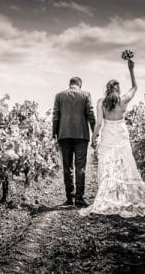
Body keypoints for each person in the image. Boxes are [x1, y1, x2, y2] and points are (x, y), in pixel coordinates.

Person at [80, 59, 145, 218]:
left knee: (107, 166)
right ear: (118, 89)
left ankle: (110, 197)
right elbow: (135, 87)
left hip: (108, 134)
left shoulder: (101, 102)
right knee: (124, 165)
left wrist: (94, 137)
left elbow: (99, 123)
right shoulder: (123, 100)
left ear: (107, 89)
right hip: (121, 134)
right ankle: (122, 197)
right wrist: (131, 69)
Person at [52, 77, 96, 207]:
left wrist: (54, 135)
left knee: (67, 167)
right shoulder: (86, 95)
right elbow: (91, 114)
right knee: (80, 167)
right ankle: (79, 199)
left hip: (64, 134)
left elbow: (55, 115)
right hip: (81, 135)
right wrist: (95, 133)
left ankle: (69, 198)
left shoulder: (59, 95)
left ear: (70, 84)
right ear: (79, 85)